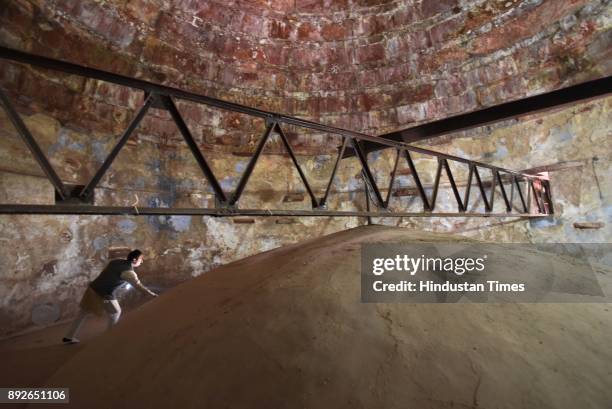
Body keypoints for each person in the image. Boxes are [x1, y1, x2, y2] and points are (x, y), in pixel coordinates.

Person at [62, 249, 157, 344]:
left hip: (93, 288)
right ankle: (109, 336)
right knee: (116, 312)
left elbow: (109, 274)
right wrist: (151, 295)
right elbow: (138, 286)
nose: (142, 261)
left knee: (83, 313)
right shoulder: (129, 273)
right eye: (141, 259)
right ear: (135, 260)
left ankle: (68, 337)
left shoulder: (116, 261)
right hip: (104, 293)